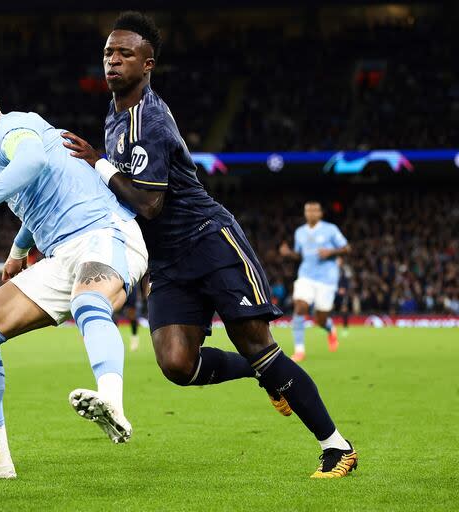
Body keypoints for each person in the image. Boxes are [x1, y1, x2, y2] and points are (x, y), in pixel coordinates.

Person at [62, 12, 357, 478]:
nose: (113, 61)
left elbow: (151, 203)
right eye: (107, 53)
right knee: (177, 364)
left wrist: (97, 164)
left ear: (149, 63)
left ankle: (337, 447)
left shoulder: (149, 120)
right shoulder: (115, 115)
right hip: (167, 259)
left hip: (208, 242)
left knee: (262, 347)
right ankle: (259, 376)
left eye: (125, 54)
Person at [0, 77, 148, 480]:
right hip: (63, 253)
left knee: (87, 301)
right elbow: (35, 196)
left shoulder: (12, 128)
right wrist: (16, 252)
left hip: (105, 232)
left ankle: (111, 401)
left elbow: (33, 163)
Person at [279, 201, 351, 361]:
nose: (311, 213)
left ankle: (330, 328)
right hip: (306, 276)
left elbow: (347, 248)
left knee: (320, 319)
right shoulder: (300, 232)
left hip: (327, 279)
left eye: (314, 210)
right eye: (308, 211)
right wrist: (288, 253)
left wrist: (331, 252)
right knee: (300, 307)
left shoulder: (330, 229)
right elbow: (300, 255)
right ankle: (299, 350)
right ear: (305, 213)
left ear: (320, 213)